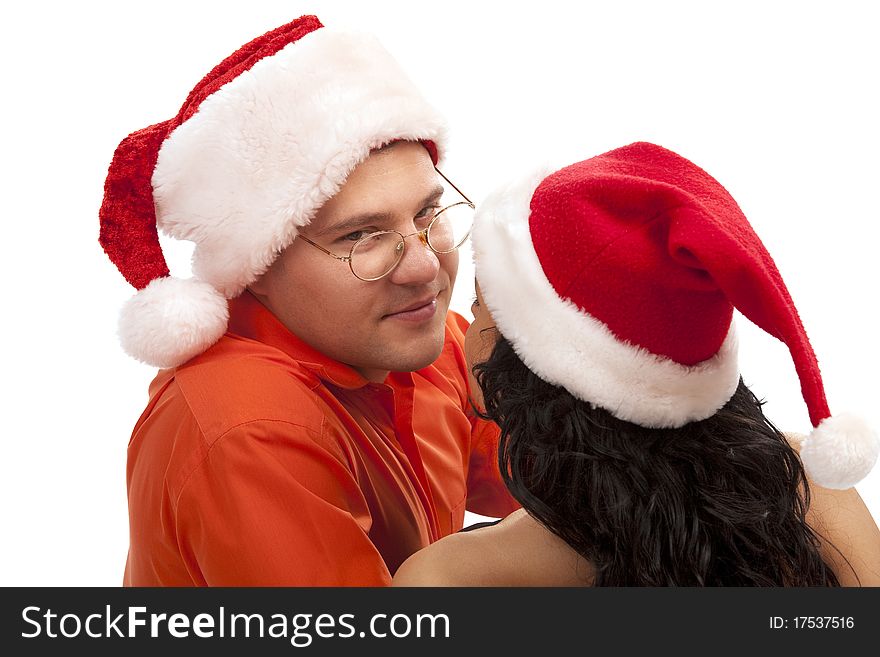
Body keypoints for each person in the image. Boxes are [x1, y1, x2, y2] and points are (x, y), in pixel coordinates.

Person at [98, 15, 518, 586]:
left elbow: (542, 480)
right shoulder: (249, 428)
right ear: (259, 269)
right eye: (360, 236)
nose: (423, 267)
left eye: (425, 213)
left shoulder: (417, 334)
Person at [393, 142, 880, 586]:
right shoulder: (811, 489)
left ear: (532, 361)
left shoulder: (452, 580)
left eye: (480, 305)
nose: (464, 320)